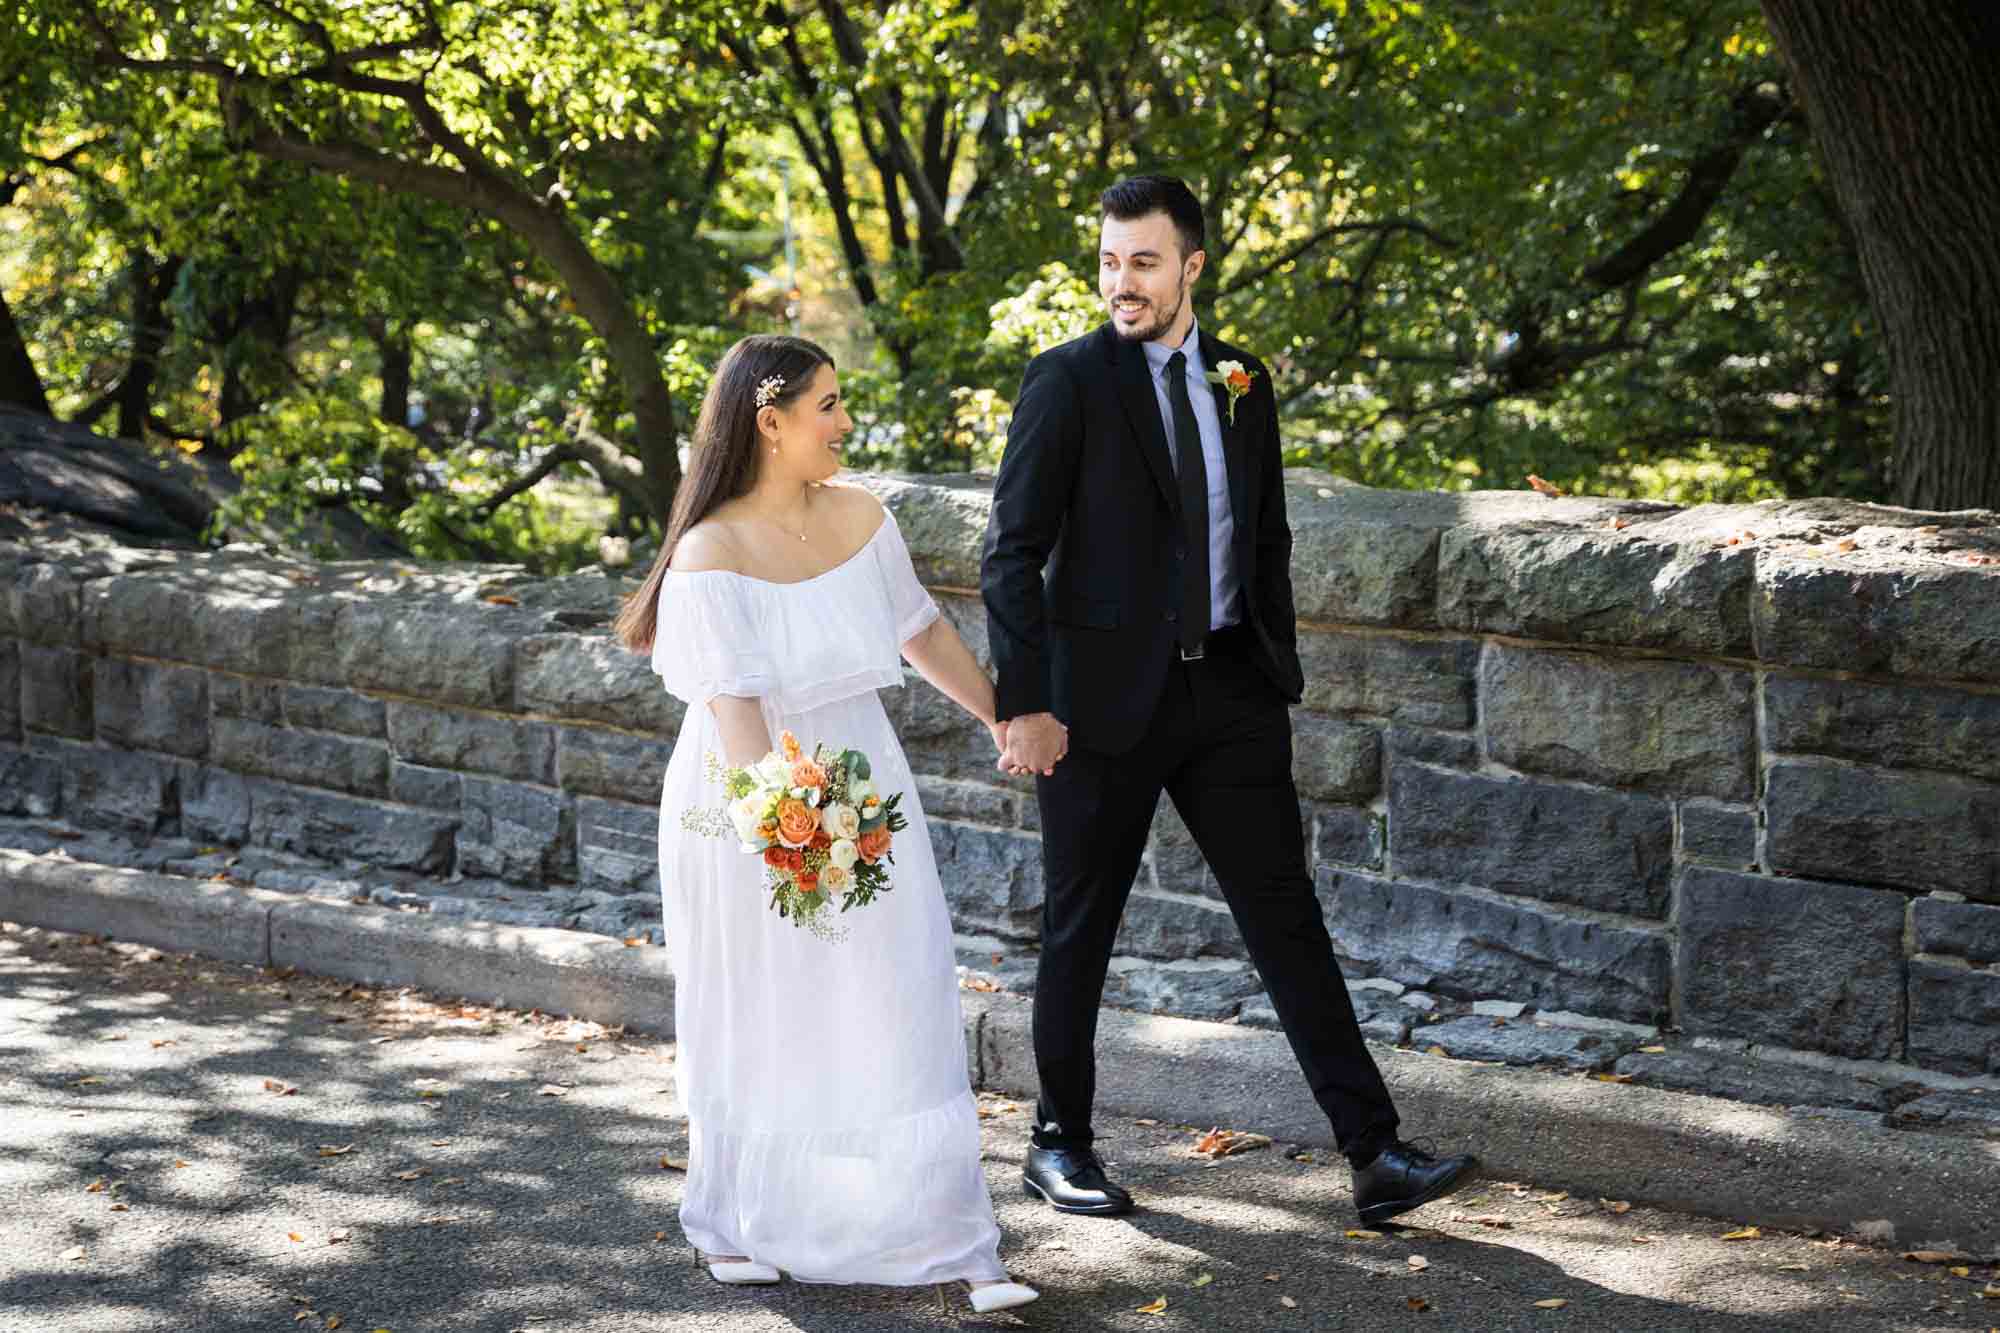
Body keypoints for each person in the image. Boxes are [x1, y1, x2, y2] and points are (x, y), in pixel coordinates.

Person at [981, 174, 1479, 1226]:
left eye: (1145, 261)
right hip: (1096, 712)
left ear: (1192, 265)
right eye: (1110, 260)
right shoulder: (1064, 382)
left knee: (1287, 921)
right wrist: (1021, 704)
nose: (1122, 281)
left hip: (1230, 701)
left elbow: (1264, 539)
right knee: (1081, 930)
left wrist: (1273, 669)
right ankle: (1057, 1142)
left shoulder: (1243, 380)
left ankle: (1373, 1152)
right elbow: (1009, 554)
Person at [616, 334, 1036, 1313]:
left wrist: (1000, 718)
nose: (846, 423)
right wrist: (798, 834)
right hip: (749, 793)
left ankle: (935, 1223)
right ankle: (736, 1216)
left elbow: (920, 628)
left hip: (861, 769)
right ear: (770, 423)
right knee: (763, 996)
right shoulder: (707, 554)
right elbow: (737, 718)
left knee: (894, 977)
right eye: (829, 406)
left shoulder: (862, 516)